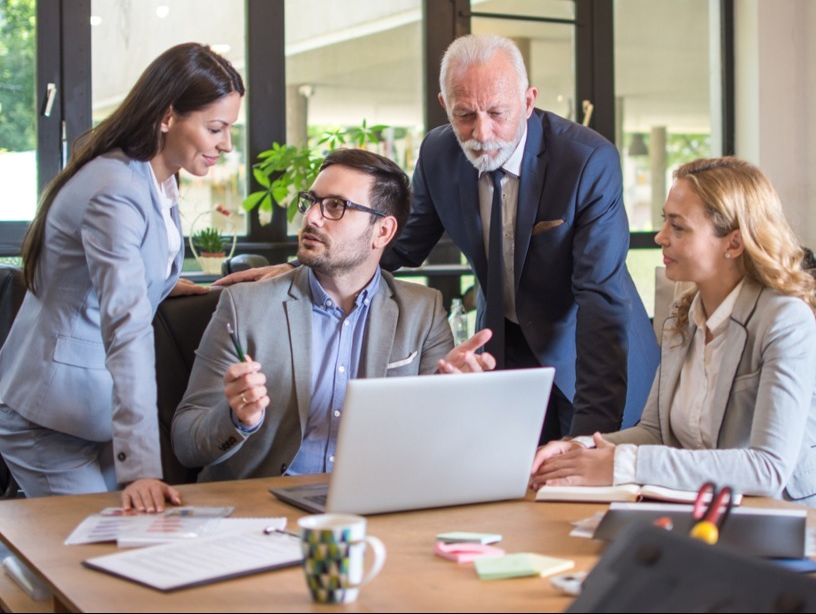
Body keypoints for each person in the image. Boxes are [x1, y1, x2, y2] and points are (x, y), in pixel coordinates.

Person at [214, 35, 660, 443]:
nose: (481, 134)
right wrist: (304, 267)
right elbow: (401, 245)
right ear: (445, 104)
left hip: (593, 349)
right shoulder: (439, 151)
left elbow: (600, 300)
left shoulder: (586, 160)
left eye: (498, 114)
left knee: (577, 487)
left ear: (528, 101)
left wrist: (586, 440)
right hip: (505, 348)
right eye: (464, 115)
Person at [0, 43, 244, 511]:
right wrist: (143, 471)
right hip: (49, 415)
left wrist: (185, 285)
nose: (226, 144)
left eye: (229, 128)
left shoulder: (156, 179)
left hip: (96, 410)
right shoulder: (114, 189)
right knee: (95, 553)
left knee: (125, 547)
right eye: (215, 128)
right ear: (168, 116)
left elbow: (124, 269)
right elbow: (127, 326)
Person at [172, 148, 494, 481]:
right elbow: (186, 443)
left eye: (336, 206)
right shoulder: (244, 307)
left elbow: (432, 444)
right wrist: (238, 419)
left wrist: (452, 401)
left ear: (382, 232)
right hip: (264, 506)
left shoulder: (422, 312)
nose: (311, 217)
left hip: (372, 505)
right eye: (311, 201)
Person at [530, 157, 816, 505]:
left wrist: (624, 464)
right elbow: (655, 431)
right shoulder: (684, 315)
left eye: (678, 227)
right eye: (666, 221)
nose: (660, 237)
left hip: (779, 520)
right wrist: (579, 447)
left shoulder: (786, 321)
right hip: (700, 513)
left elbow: (768, 469)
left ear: (734, 243)